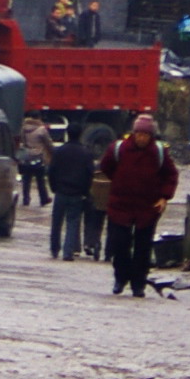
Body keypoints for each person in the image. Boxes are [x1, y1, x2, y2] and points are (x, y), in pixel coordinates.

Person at [99, 112, 178, 297]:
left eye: (146, 135)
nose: (142, 138)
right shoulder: (118, 149)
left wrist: (164, 197)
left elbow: (171, 175)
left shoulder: (158, 152)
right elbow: (106, 167)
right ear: (134, 133)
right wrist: (119, 182)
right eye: (139, 134)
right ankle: (120, 277)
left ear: (151, 136)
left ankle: (138, 283)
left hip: (147, 208)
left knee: (143, 248)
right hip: (120, 205)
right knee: (119, 244)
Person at [48, 123, 95, 259]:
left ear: (67, 133)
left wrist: (54, 187)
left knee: (56, 222)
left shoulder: (59, 151)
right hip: (77, 193)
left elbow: (51, 171)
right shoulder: (86, 153)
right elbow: (89, 174)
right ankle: (68, 252)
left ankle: (54, 249)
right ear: (80, 134)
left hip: (61, 192)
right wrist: (85, 191)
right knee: (73, 223)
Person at [19, 111, 54, 205]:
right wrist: (52, 153)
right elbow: (48, 143)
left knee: (26, 180)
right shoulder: (42, 129)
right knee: (40, 180)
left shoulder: (24, 128)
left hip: (27, 157)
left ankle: (25, 199)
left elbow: (22, 141)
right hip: (39, 157)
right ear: (39, 118)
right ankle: (43, 199)